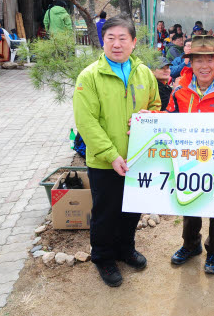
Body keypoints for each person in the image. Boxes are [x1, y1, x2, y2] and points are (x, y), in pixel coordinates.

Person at [73, 16, 161, 287]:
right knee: (106, 211)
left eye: (123, 38)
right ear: (103, 41)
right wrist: (111, 155)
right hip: (104, 161)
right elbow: (87, 122)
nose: (117, 44)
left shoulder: (143, 73)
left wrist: (150, 115)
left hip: (137, 157)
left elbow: (156, 105)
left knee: (132, 209)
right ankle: (103, 257)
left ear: (134, 43)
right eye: (111, 38)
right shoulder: (90, 76)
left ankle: (125, 249)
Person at [166, 35, 214, 274]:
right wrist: (146, 119)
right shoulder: (179, 91)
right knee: (189, 203)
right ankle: (191, 245)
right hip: (189, 160)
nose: (204, 66)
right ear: (190, 62)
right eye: (198, 60)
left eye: (210, 59)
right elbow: (169, 118)